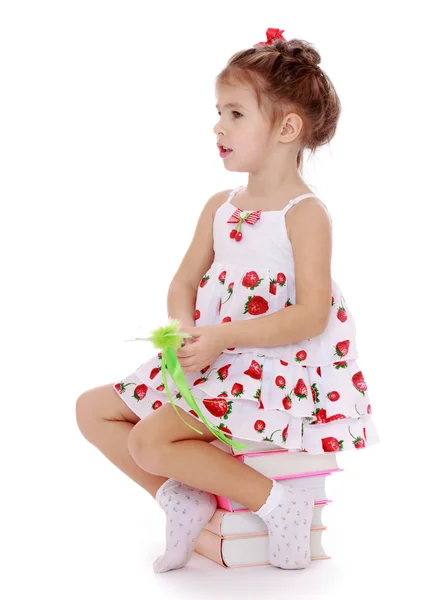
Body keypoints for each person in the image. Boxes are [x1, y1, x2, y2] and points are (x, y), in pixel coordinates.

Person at [75, 27, 379, 573]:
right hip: (211, 354)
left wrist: (222, 338)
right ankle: (180, 495)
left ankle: (281, 502)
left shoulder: (304, 214)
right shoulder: (220, 205)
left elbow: (309, 314)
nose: (218, 126)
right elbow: (183, 281)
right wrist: (185, 333)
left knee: (149, 439)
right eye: (218, 112)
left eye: (236, 114)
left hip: (267, 365)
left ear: (288, 127)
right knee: (92, 409)